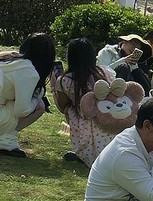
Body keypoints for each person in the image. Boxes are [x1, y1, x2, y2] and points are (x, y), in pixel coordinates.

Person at [53, 38, 135, 166]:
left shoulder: (65, 80)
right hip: (110, 119)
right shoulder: (105, 72)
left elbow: (62, 106)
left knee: (70, 109)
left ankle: (83, 150)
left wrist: (54, 89)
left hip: (84, 123)